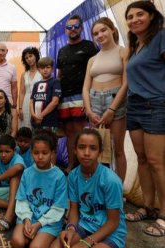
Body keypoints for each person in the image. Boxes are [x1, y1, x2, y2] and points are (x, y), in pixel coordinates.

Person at [49, 128, 127, 248]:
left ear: (99, 152)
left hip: (110, 233)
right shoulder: (73, 176)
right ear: (74, 150)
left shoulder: (111, 180)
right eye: (81, 147)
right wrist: (71, 228)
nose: (86, 153)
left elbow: (113, 222)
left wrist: (87, 242)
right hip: (85, 226)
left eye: (92, 148)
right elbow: (73, 209)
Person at [124, 1, 165, 237]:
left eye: (140, 14)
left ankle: (163, 214)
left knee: (157, 162)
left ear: (151, 16)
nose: (134, 19)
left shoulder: (160, 37)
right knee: (142, 159)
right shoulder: (136, 45)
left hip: (157, 104)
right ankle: (148, 206)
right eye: (130, 16)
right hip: (135, 106)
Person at [82, 17, 128, 182]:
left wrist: (112, 109)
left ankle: (118, 189)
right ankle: (98, 185)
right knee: (96, 147)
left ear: (112, 30)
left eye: (103, 30)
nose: (99, 35)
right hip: (94, 103)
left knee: (117, 149)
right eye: (95, 33)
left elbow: (126, 83)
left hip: (115, 101)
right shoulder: (92, 59)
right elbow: (86, 87)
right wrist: (88, 110)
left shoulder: (124, 52)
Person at [11, 131, 68, 248]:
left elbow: (58, 208)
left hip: (49, 221)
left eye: (45, 153)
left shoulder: (59, 177)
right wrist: (26, 219)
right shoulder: (27, 173)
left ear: (53, 153)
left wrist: (38, 225)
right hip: (29, 216)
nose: (40, 157)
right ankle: (36, 236)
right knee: (17, 243)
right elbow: (22, 199)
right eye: (36, 153)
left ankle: (43, 236)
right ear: (31, 153)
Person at [57, 14, 99, 173]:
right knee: (69, 133)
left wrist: (89, 98)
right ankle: (70, 167)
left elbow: (95, 72)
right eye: (69, 27)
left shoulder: (90, 46)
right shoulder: (61, 50)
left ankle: (86, 168)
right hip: (64, 98)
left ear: (81, 28)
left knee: (82, 131)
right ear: (65, 30)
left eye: (76, 26)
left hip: (82, 95)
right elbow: (59, 75)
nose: (72, 30)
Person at [30, 57, 62, 132]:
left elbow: (55, 102)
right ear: (38, 69)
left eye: (48, 67)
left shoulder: (55, 82)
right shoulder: (36, 84)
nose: (45, 70)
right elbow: (31, 101)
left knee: (49, 143)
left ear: (52, 68)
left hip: (49, 122)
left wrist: (41, 116)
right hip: (35, 122)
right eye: (42, 68)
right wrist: (33, 115)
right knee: (36, 142)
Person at [18, 47, 42, 129]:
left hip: (39, 102)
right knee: (24, 127)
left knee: (37, 128)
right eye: (26, 58)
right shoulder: (24, 74)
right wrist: (20, 108)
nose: (29, 59)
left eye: (31, 56)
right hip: (26, 102)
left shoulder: (42, 72)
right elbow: (21, 92)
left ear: (36, 56)